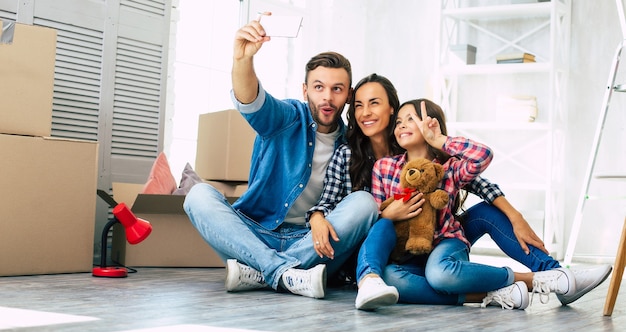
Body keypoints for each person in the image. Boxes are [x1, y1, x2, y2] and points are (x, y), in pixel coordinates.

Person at [310, 75, 612, 310]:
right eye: (359, 105)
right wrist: (334, 216)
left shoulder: (446, 164)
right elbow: (357, 208)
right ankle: (506, 288)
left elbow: (481, 175)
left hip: (443, 239)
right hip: (395, 251)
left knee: (480, 219)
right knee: (394, 265)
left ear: (390, 108)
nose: (365, 112)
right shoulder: (375, 163)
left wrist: (514, 213)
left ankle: (556, 275)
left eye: (374, 103)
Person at [183, 16, 379, 299]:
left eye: (337, 89)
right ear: (305, 90)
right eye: (319, 87)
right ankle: (285, 272)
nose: (327, 97)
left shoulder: (352, 145)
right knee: (198, 196)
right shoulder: (286, 117)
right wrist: (242, 60)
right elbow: (251, 101)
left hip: (312, 241)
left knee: (364, 203)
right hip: (256, 233)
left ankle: (258, 272)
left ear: (348, 95)